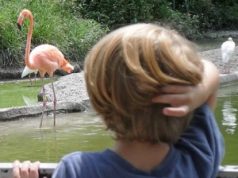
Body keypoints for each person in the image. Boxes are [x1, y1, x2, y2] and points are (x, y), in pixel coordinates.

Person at [12, 23, 223, 178]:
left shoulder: (77, 170)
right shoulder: (196, 160)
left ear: (100, 105)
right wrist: (195, 92)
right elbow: (208, 70)